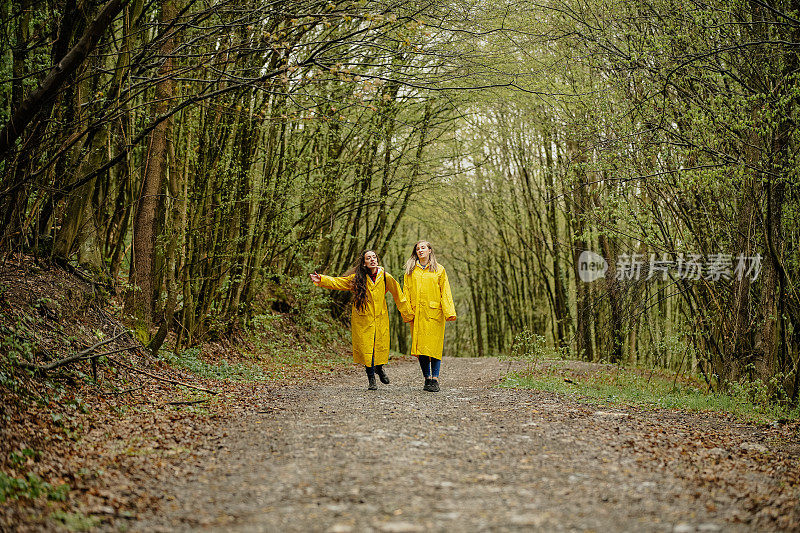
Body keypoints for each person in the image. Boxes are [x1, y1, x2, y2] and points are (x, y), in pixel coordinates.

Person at [310, 250, 413, 390]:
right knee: (366, 348)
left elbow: (398, 295)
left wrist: (407, 314)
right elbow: (338, 282)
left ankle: (379, 368)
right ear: (364, 262)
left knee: (380, 346)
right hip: (363, 318)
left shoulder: (385, 277)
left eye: (374, 257)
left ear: (377, 260)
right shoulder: (357, 278)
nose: (372, 260)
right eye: (368, 258)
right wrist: (321, 279)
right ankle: (371, 378)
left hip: (380, 318)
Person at [403, 240, 456, 392]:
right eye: (418, 248)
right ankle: (427, 378)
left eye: (423, 248)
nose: (420, 250)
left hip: (435, 313)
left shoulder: (439, 270)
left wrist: (449, 312)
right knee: (421, 348)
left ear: (430, 250)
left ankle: (435, 379)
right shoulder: (410, 271)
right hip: (417, 314)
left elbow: (445, 291)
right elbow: (405, 293)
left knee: (435, 347)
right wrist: (407, 312)